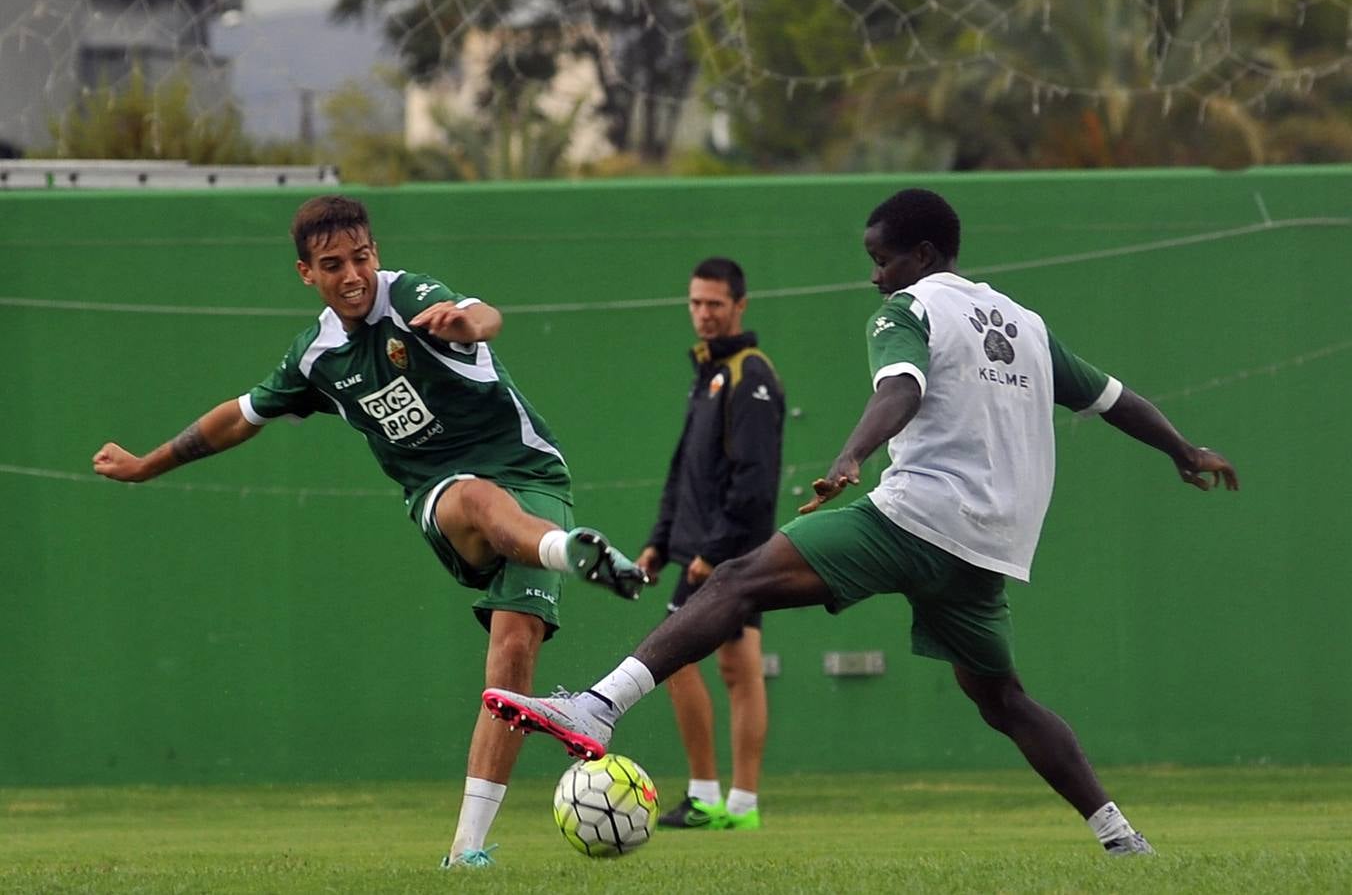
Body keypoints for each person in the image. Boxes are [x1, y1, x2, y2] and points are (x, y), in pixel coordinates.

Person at [482, 188, 1239, 856]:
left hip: (916, 519)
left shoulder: (909, 310)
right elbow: (1116, 400)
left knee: (740, 581)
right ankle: (1119, 835)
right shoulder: (1024, 324)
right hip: (991, 552)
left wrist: (850, 455)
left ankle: (598, 706)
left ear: (921, 254)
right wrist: (1183, 447)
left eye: (881, 259)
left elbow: (900, 389)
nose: (874, 275)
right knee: (1002, 699)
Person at [92, 194, 647, 869]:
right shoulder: (316, 357)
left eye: (361, 257)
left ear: (376, 254)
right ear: (306, 273)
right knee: (475, 499)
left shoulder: (411, 295)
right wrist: (147, 465)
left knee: (514, 653)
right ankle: (567, 552)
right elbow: (239, 416)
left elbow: (486, 316)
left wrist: (466, 322)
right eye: (332, 265)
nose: (351, 275)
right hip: (445, 500)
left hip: (533, 476)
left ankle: (466, 852)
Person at [636, 257, 784, 832]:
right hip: (702, 549)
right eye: (695, 303)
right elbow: (686, 469)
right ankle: (740, 806)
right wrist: (658, 541)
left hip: (730, 554)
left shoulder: (752, 374)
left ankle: (705, 795)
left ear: (739, 305)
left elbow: (754, 480)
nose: (703, 314)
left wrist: (712, 552)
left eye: (715, 304)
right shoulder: (710, 372)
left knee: (676, 660)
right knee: (738, 668)